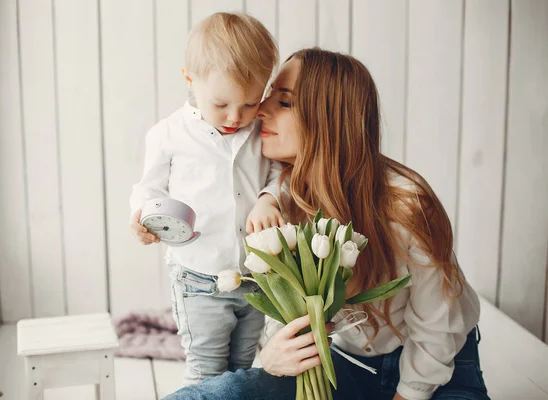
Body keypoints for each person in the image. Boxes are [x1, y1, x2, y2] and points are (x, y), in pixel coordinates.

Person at [163, 48, 490, 400]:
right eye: (269, 96)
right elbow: (278, 300)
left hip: (438, 371)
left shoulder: (405, 203)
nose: (260, 110)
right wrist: (274, 354)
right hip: (341, 365)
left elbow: (438, 325)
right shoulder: (276, 200)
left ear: (329, 120)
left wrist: (409, 392)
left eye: (284, 103)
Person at [129, 12, 286, 386]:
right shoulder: (169, 135)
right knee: (207, 371)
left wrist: (268, 198)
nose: (236, 116)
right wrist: (142, 216)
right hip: (200, 278)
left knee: (243, 369)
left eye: (250, 104)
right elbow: (149, 188)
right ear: (189, 79)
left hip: (254, 278)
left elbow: (281, 173)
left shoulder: (258, 134)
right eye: (222, 104)